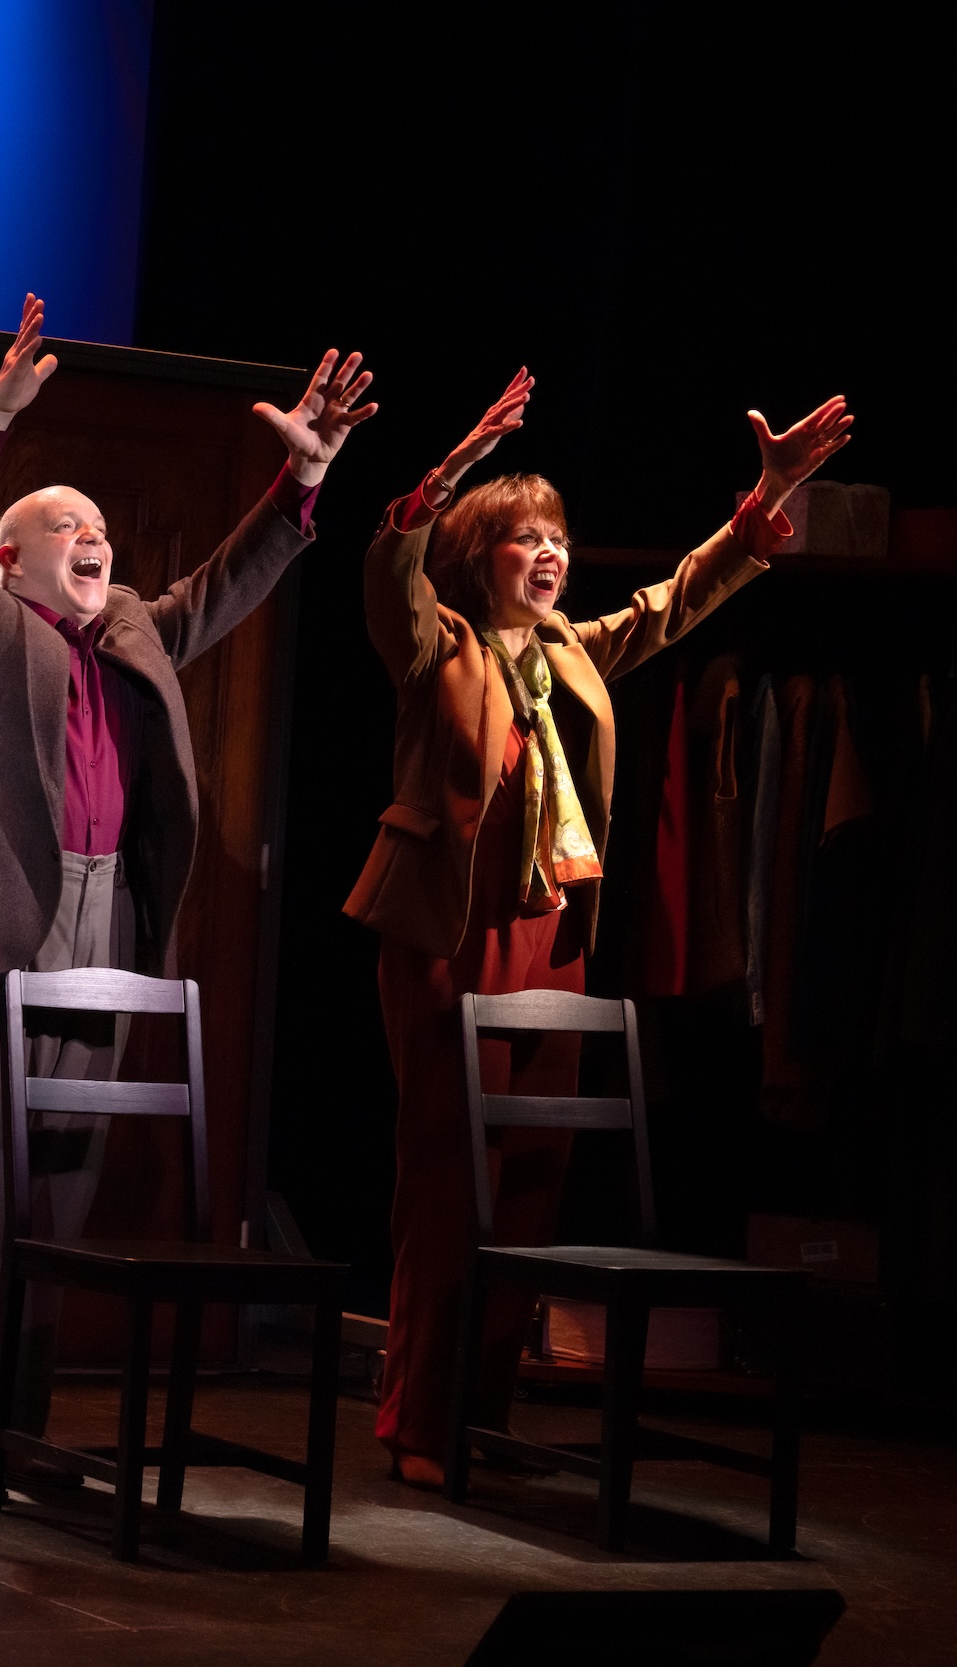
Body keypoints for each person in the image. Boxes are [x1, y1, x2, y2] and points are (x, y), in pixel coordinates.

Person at [0, 295, 376, 1497]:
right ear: (13, 555)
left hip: (104, 919)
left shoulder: (136, 630)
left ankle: (18, 1427)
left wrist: (296, 487)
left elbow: (225, 585)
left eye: (100, 524)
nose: (92, 534)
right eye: (64, 523)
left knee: (60, 1189)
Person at [346, 369, 853, 1488]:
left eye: (557, 537)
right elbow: (389, 578)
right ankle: (418, 1420)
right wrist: (442, 480)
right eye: (522, 537)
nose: (548, 554)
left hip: (552, 926)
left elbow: (671, 603)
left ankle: (480, 1410)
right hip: (447, 926)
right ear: (475, 555)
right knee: (446, 1171)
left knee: (532, 1166)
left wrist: (757, 506)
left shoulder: (572, 650)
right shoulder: (438, 649)